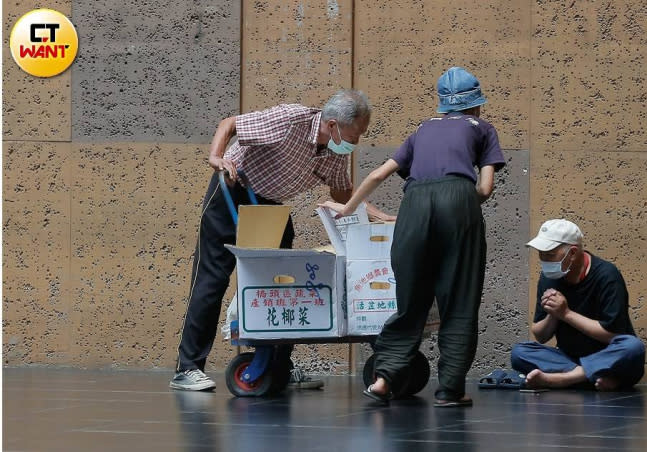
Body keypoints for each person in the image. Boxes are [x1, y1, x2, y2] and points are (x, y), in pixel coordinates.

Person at [171, 89, 393, 391]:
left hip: (270, 203)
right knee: (212, 279)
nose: (356, 142)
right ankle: (188, 368)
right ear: (332, 125)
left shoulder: (333, 153)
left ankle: (278, 367)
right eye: (354, 136)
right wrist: (216, 157)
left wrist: (380, 216)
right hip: (234, 192)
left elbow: (343, 195)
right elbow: (229, 124)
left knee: (283, 284)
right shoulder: (289, 120)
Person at [322, 67, 506, 407]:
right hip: (459, 199)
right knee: (459, 303)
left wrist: (347, 208)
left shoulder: (422, 129)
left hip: (415, 204)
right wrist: (461, 202)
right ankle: (450, 390)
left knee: (410, 301)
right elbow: (485, 186)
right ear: (476, 105)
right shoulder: (483, 128)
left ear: (442, 105)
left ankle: (383, 379)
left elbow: (378, 174)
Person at [511, 219, 646, 391]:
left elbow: (612, 335)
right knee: (519, 352)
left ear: (573, 253)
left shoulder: (607, 275)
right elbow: (540, 335)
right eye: (541, 254)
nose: (544, 260)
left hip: (609, 355)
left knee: (633, 347)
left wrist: (566, 314)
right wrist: (553, 313)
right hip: (570, 358)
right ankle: (591, 376)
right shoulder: (548, 277)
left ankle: (563, 379)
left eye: (550, 255)